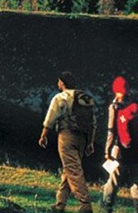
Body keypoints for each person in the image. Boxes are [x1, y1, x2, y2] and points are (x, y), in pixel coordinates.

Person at [39, 71, 96, 213]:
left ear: (62, 82)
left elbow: (50, 117)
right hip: (83, 137)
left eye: (59, 81)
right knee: (70, 168)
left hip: (67, 135)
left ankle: (85, 204)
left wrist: (43, 135)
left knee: (73, 169)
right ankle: (60, 204)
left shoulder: (61, 97)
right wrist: (90, 142)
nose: (58, 84)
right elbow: (93, 122)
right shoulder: (86, 98)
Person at [102, 76, 138, 213]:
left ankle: (107, 204)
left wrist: (107, 150)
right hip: (137, 150)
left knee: (114, 179)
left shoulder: (114, 107)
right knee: (136, 179)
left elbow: (111, 131)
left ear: (115, 90)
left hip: (119, 150)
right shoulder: (136, 105)